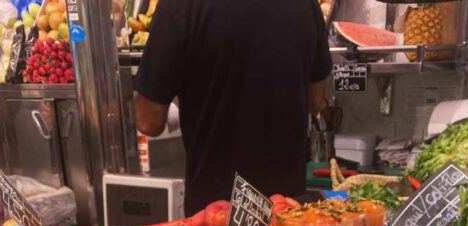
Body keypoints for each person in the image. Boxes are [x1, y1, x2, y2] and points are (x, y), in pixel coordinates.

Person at [133, 0, 332, 215]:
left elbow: (148, 120)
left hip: (216, 215)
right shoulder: (306, 5)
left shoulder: (181, 5)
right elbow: (315, 100)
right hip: (285, 212)